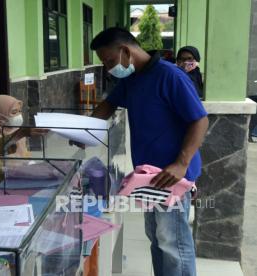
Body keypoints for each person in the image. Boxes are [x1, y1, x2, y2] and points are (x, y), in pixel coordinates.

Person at [90, 27, 209, 276]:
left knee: (173, 242)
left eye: (110, 60)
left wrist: (181, 163)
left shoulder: (170, 76)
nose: (109, 67)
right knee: (156, 237)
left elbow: (200, 120)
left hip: (172, 174)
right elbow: (109, 104)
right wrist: (84, 130)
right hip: (147, 176)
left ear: (126, 51)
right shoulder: (132, 78)